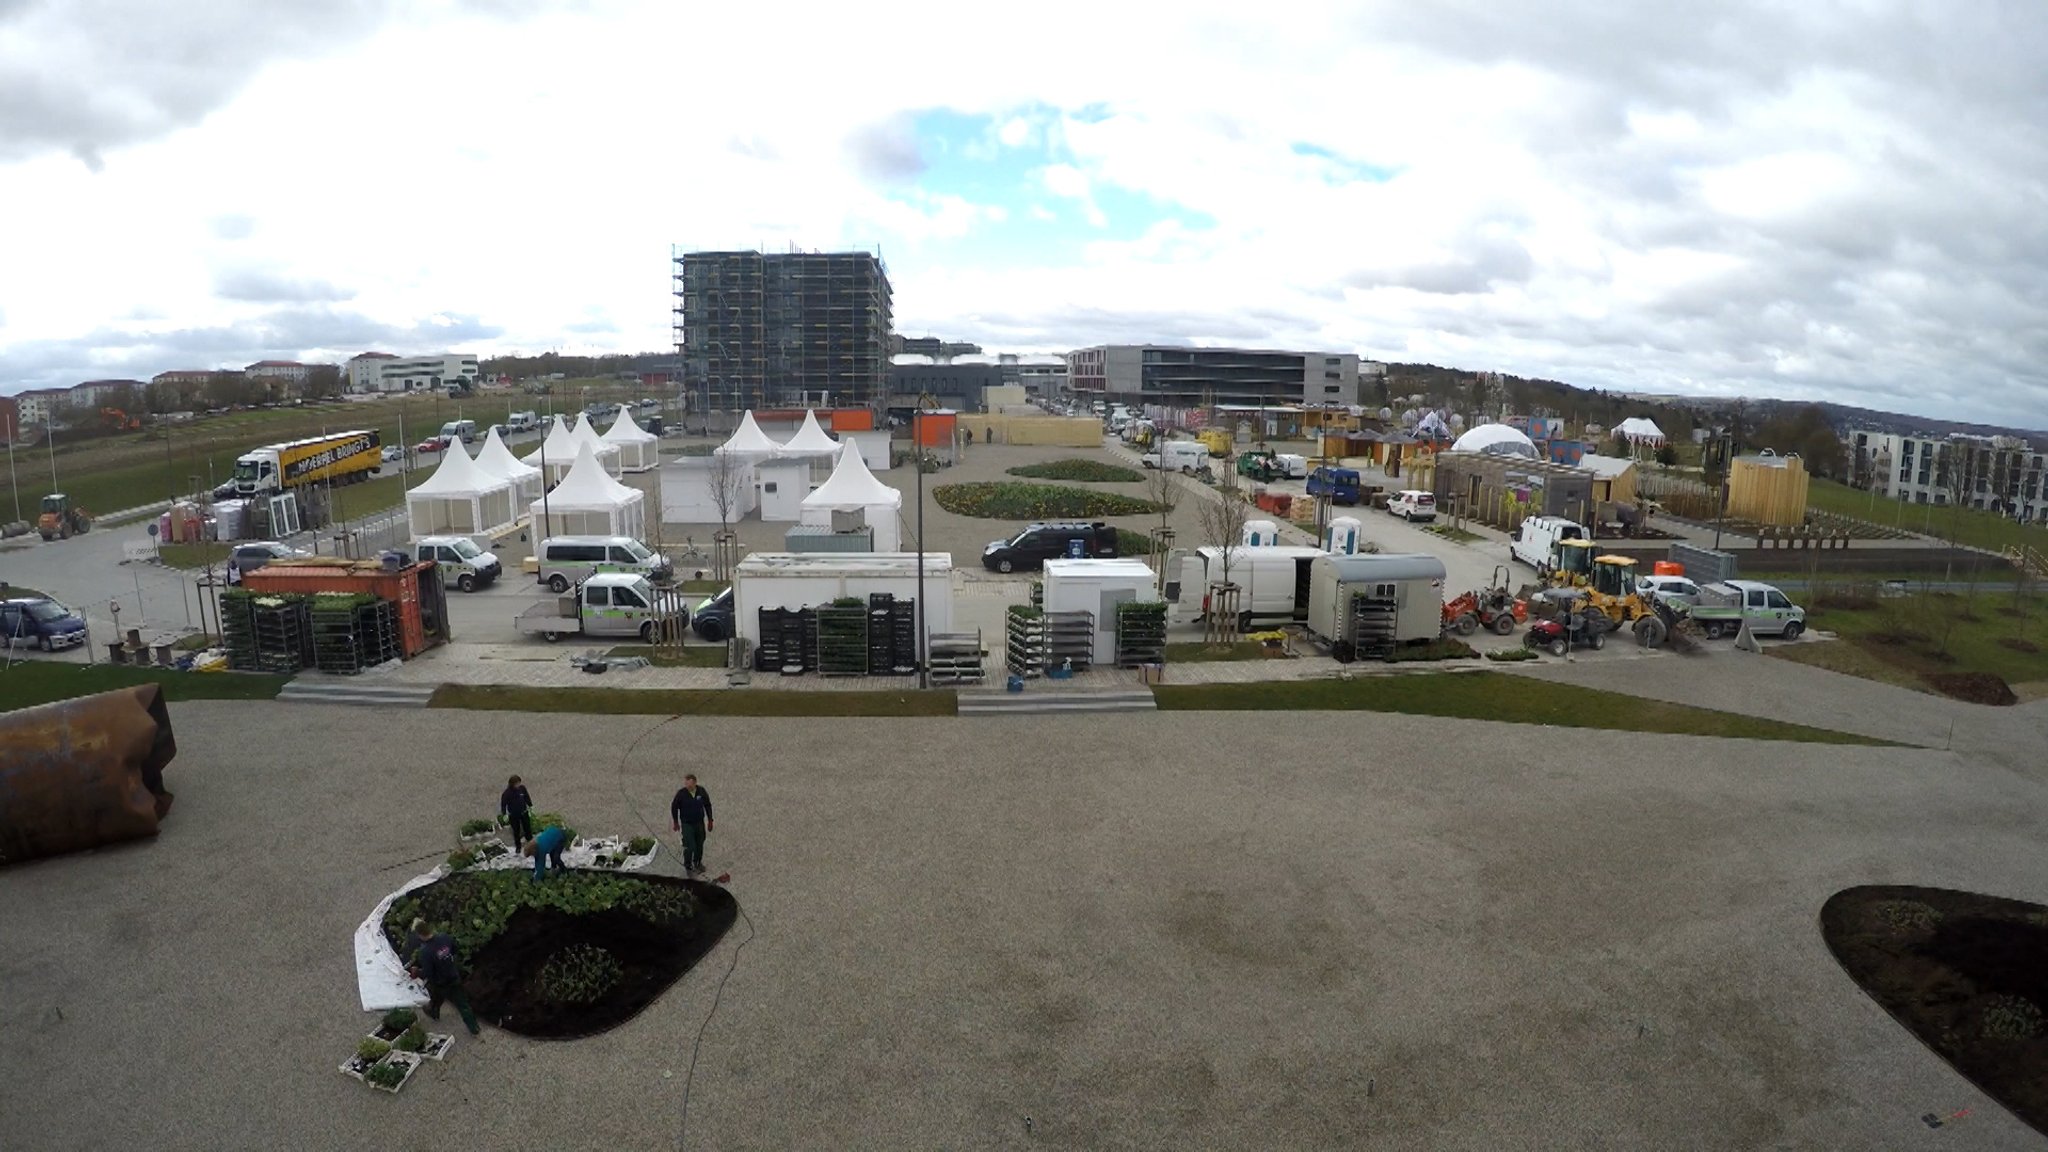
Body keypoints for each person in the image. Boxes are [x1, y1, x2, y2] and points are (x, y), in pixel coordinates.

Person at [406, 919, 481, 1036]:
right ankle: (474, 1028)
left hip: (440, 982)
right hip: (453, 976)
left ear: (420, 935)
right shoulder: (445, 937)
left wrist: (417, 972)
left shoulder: (425, 952)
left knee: (437, 995)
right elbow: (455, 949)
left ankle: (433, 1011)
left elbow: (428, 973)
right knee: (462, 1004)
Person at [670, 774, 714, 876]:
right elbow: (674, 807)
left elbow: (707, 805)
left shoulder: (701, 792)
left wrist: (710, 820)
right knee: (690, 846)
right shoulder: (681, 794)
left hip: (699, 823)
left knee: (700, 843)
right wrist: (676, 821)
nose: (688, 787)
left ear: (695, 783)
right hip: (687, 824)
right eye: (686, 785)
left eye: (690, 785)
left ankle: (698, 862)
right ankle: (688, 865)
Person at [499, 775, 533, 849]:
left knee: (527, 828)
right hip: (514, 815)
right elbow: (503, 804)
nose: (518, 785)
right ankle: (518, 847)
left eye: (519, 783)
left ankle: (531, 843)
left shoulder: (522, 789)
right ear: (512, 784)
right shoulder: (507, 793)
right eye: (517, 783)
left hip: (524, 812)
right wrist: (504, 814)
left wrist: (530, 806)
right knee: (516, 831)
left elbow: (526, 797)